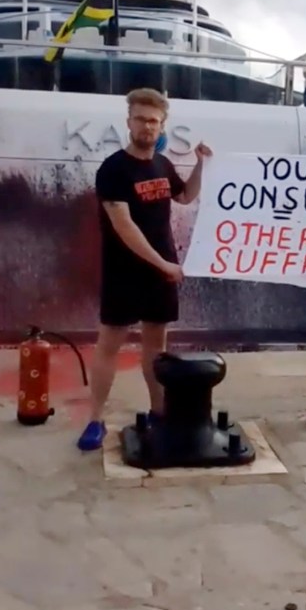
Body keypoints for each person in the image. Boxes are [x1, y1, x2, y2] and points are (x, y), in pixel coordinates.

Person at [77, 87, 212, 451]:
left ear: (162, 124)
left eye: (154, 121)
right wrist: (164, 263)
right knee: (110, 345)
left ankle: (158, 410)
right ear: (129, 122)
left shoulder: (163, 165)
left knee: (156, 347)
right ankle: (95, 420)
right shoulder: (113, 169)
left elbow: (185, 197)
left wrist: (201, 164)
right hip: (126, 273)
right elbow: (125, 227)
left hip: (160, 273)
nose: (147, 126)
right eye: (141, 119)